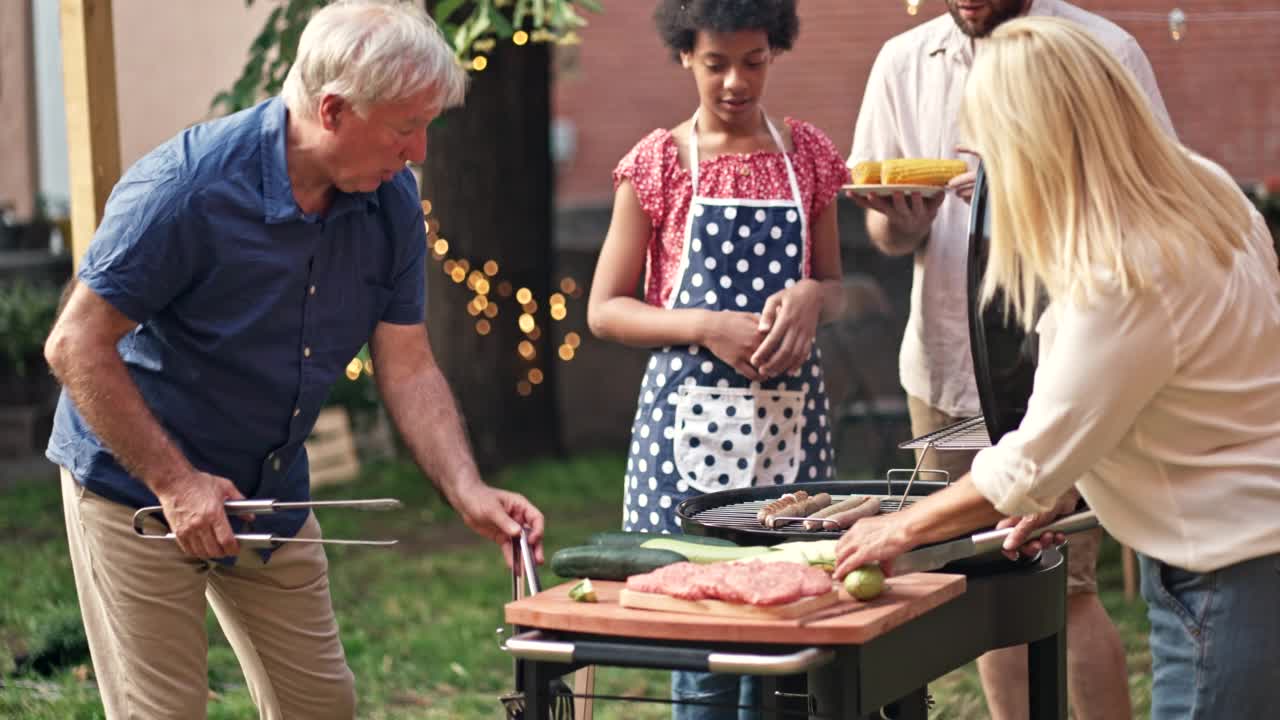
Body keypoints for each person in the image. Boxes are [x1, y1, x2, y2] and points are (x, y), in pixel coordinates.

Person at [42, 2, 545, 718]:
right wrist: (178, 484)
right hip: (136, 488)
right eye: (406, 127)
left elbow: (408, 364)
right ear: (334, 110)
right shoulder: (187, 188)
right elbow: (74, 343)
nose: (421, 151)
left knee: (321, 707)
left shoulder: (392, 200)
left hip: (270, 491)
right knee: (166, 711)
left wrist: (467, 491)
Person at [835, 16, 1280, 720]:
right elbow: (1183, 385)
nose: (988, 180)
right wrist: (1071, 476)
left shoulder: (1121, 275)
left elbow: (1024, 467)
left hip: (1221, 579)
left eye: (992, 154)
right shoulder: (1208, 190)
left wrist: (900, 528)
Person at [586, 2, 847, 716]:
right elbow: (604, 309)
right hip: (687, 431)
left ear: (775, 52)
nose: (736, 80)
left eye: (754, 61)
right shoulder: (658, 164)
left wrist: (813, 300)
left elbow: (838, 286)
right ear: (684, 57)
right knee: (702, 652)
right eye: (716, 63)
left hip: (789, 432)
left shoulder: (810, 157)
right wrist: (703, 325)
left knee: (787, 645)